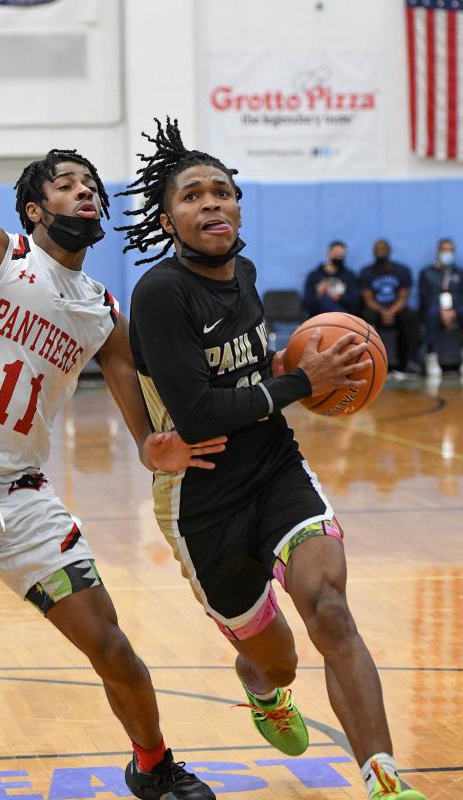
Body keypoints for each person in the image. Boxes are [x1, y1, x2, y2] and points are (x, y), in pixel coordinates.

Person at [0, 91, 224, 800]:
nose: (86, 193)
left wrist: (153, 447)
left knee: (113, 648)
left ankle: (153, 765)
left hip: (20, 492)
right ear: (36, 210)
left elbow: (138, 412)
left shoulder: (103, 310)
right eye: (68, 184)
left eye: (93, 187)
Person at [117, 117, 427, 800]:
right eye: (192, 196)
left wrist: (293, 364)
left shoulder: (247, 273)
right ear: (169, 220)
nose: (211, 204)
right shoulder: (161, 294)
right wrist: (299, 383)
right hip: (201, 499)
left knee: (331, 608)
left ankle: (385, 779)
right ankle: (262, 687)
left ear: (238, 204)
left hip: (275, 467)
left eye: (221, 191)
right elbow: (197, 412)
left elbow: (252, 370)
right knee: (279, 661)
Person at [359, 239, 421, 374]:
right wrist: (383, 311)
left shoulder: (402, 270)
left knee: (410, 316)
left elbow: (403, 297)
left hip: (396, 308)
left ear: (389, 251)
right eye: (378, 250)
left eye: (383, 250)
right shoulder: (366, 272)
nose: (381, 252)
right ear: (373, 252)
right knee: (366, 316)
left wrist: (392, 311)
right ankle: (368, 364)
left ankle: (411, 361)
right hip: (376, 310)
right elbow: (368, 299)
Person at [419, 238, 463, 378]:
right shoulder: (427, 272)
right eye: (445, 250)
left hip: (456, 309)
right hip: (435, 309)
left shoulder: (459, 273)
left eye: (451, 250)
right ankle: (431, 357)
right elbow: (425, 298)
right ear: (438, 252)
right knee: (431, 314)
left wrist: (454, 310)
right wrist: (441, 310)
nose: (448, 253)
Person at [303, 239, 360, 317]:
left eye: (342, 255)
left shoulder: (349, 276)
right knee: (325, 299)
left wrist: (339, 297)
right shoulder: (314, 276)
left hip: (345, 315)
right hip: (319, 317)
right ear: (328, 254)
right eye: (336, 253)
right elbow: (307, 304)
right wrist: (319, 294)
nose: (339, 257)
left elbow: (355, 302)